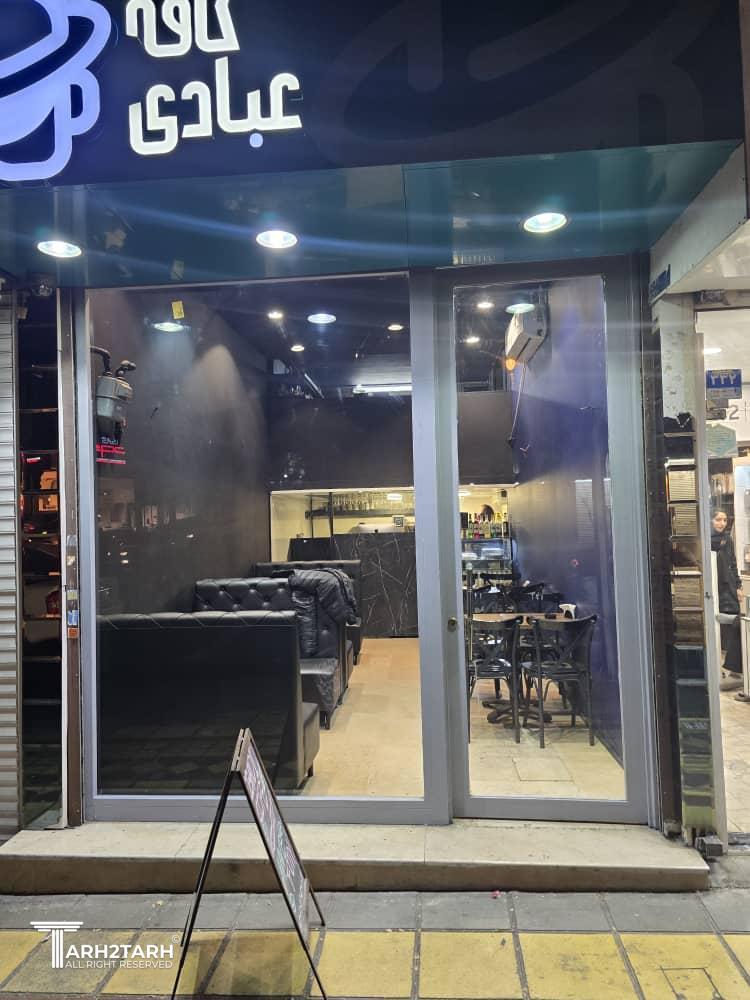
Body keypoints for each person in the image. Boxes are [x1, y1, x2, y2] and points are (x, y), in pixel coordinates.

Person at [711, 510, 744, 690]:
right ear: (711, 520)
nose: (722, 523)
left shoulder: (727, 540)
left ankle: (734, 669)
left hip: (729, 589)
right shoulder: (707, 540)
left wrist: (738, 586)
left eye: (724, 520)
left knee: (737, 623)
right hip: (714, 589)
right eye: (718, 519)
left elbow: (733, 563)